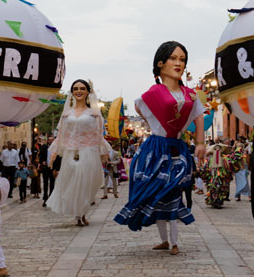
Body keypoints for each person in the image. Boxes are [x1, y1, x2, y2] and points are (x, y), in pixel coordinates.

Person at [114, 41, 206, 254]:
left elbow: (199, 116)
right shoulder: (154, 92)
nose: (178, 63)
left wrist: (200, 143)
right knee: (156, 194)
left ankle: (174, 242)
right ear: (160, 64)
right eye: (173, 58)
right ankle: (165, 240)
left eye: (182, 59)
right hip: (156, 149)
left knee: (172, 192)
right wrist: (153, 124)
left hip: (176, 148)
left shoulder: (189, 94)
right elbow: (139, 105)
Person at [48, 79, 111, 226]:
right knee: (72, 182)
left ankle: (82, 213)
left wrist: (104, 152)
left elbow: (98, 135)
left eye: (82, 88)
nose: (79, 91)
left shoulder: (94, 114)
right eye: (75, 88)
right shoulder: (66, 114)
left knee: (85, 183)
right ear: (72, 92)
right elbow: (61, 135)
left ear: (88, 91)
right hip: (70, 151)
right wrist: (54, 154)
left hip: (89, 151)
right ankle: (77, 213)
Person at [39, 136, 55, 206]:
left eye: (52, 140)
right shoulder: (44, 147)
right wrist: (42, 161)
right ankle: (45, 198)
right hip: (45, 168)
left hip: (52, 168)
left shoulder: (56, 148)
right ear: (48, 141)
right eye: (50, 140)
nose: (51, 141)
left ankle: (51, 198)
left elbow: (58, 158)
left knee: (52, 184)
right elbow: (40, 156)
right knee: (45, 183)